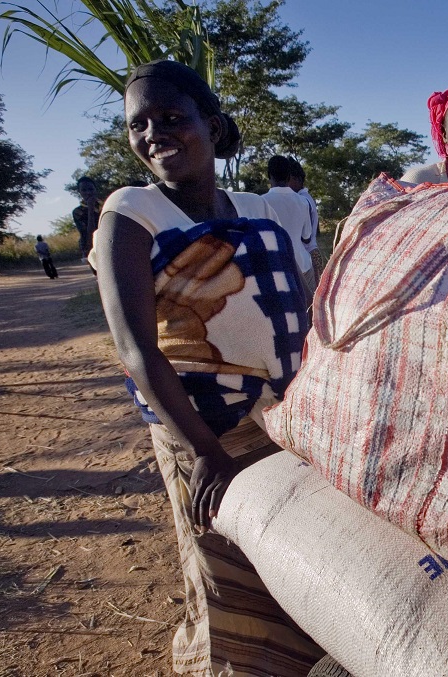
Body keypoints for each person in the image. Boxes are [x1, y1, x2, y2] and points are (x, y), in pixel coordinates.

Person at [90, 59, 321, 676]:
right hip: (201, 432)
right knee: (224, 573)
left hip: (282, 429)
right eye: (139, 125)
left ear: (212, 127)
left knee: (296, 561)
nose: (154, 134)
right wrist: (205, 454)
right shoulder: (132, 213)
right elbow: (137, 350)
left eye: (171, 118)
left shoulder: (260, 209)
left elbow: (302, 309)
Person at [259, 155, 317, 304]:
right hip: (303, 264)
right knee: (309, 310)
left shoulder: (261, 201)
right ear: (288, 175)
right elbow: (307, 236)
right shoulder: (303, 201)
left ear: (269, 175)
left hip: (276, 268)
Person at [286, 159, 324, 278]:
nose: (286, 184)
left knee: (313, 294)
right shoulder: (304, 198)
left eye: (288, 179)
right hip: (310, 253)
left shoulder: (303, 201)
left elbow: (305, 237)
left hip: (309, 255)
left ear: (298, 180)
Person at [72, 176, 101, 271]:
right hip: (91, 247)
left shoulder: (105, 205)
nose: (88, 192)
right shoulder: (78, 212)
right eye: (84, 190)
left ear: (95, 189)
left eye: (91, 189)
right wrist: (91, 210)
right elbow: (88, 234)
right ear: (79, 192)